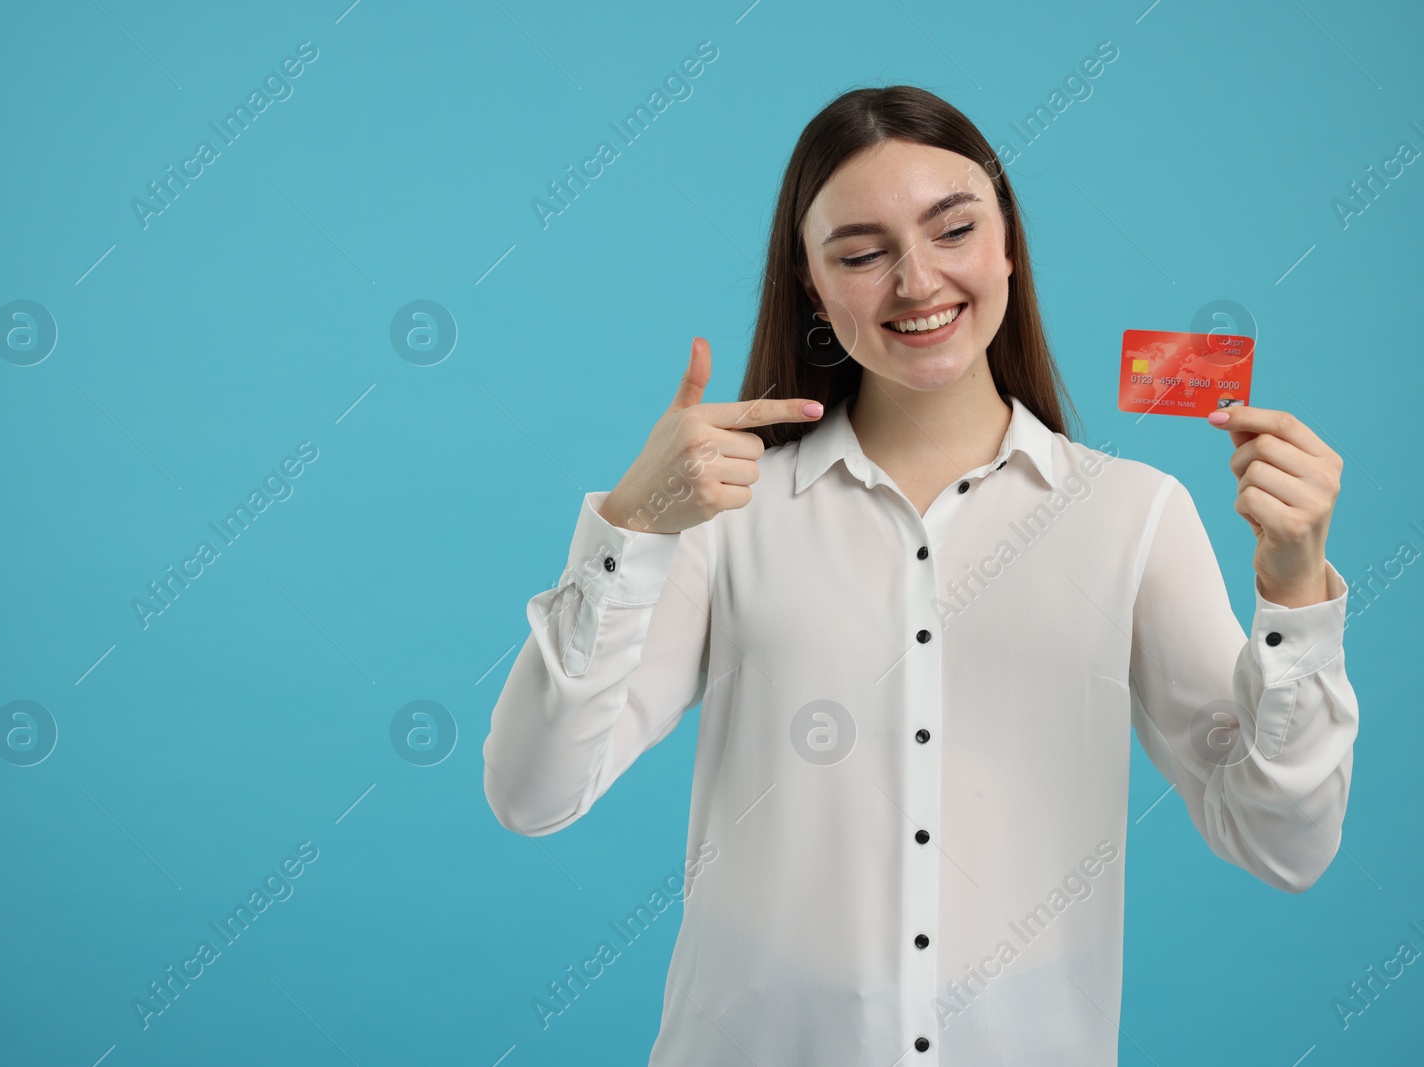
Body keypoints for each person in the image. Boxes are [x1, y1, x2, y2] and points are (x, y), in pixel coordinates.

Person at [482, 85, 1357, 1066]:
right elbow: (530, 791)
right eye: (860, 253)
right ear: (810, 285)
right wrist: (628, 529)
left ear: (1006, 246)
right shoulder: (722, 524)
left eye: (952, 229)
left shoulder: (1132, 516)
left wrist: (1294, 591)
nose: (916, 280)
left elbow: (1285, 845)